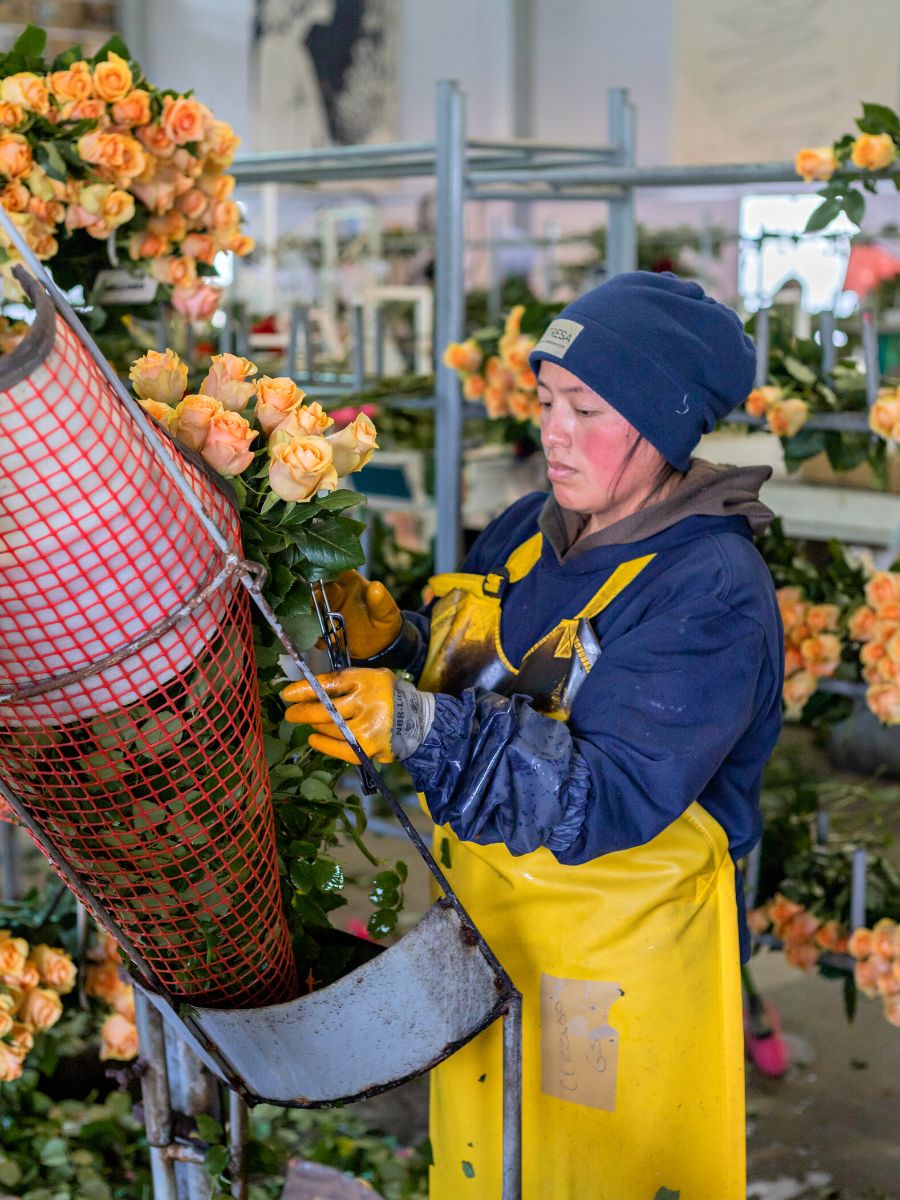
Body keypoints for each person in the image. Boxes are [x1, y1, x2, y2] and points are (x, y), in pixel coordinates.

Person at [282, 271, 784, 1200]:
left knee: (587, 1173)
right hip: (487, 930)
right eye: (548, 401)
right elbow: (503, 686)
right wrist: (399, 648)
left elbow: (604, 794)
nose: (552, 430)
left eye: (586, 407)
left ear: (665, 424)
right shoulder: (528, 530)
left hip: (614, 977)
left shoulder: (707, 588)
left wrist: (418, 725)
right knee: (481, 1163)